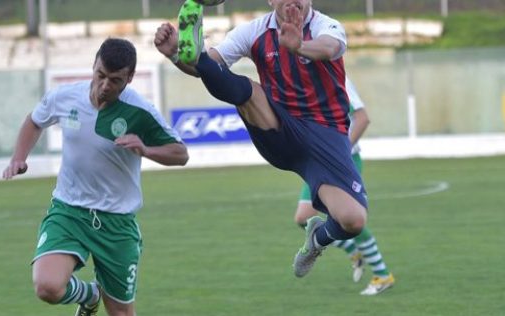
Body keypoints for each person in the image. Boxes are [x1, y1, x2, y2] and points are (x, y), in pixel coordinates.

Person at [155, 0, 367, 278]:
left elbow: (329, 47)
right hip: (279, 128)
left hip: (327, 137)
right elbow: (205, 71)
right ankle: (196, 50)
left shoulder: (326, 26)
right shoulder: (254, 32)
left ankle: (317, 239)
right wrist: (177, 57)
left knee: (353, 221)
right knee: (248, 90)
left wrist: (299, 45)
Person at [2, 38, 189, 316]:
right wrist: (19, 157)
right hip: (69, 211)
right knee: (47, 286)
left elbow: (181, 153)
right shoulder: (65, 97)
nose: (105, 86)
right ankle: (90, 296)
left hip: (116, 223)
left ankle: (99, 296)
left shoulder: (140, 111)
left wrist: (146, 149)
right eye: (100, 75)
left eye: (115, 80)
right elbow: (34, 121)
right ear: (94, 66)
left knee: (122, 313)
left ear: (130, 78)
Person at [294, 77, 395, 295]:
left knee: (349, 218)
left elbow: (362, 119)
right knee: (303, 218)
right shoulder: (299, 79)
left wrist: (339, 152)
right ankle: (354, 252)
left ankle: (382, 275)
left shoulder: (335, 77)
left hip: (342, 162)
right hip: (318, 163)